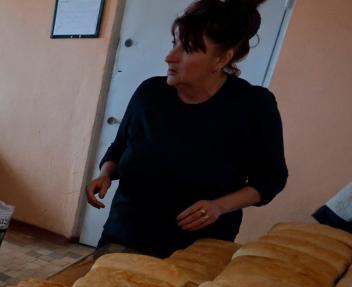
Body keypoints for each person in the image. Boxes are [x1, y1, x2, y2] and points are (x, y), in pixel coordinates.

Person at [86, 0, 288, 257]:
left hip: (197, 247)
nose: (170, 56)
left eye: (188, 49)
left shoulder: (253, 105)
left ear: (222, 58)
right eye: (174, 43)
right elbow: (120, 147)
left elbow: (271, 179)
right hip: (126, 231)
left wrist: (218, 206)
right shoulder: (150, 93)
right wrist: (105, 174)